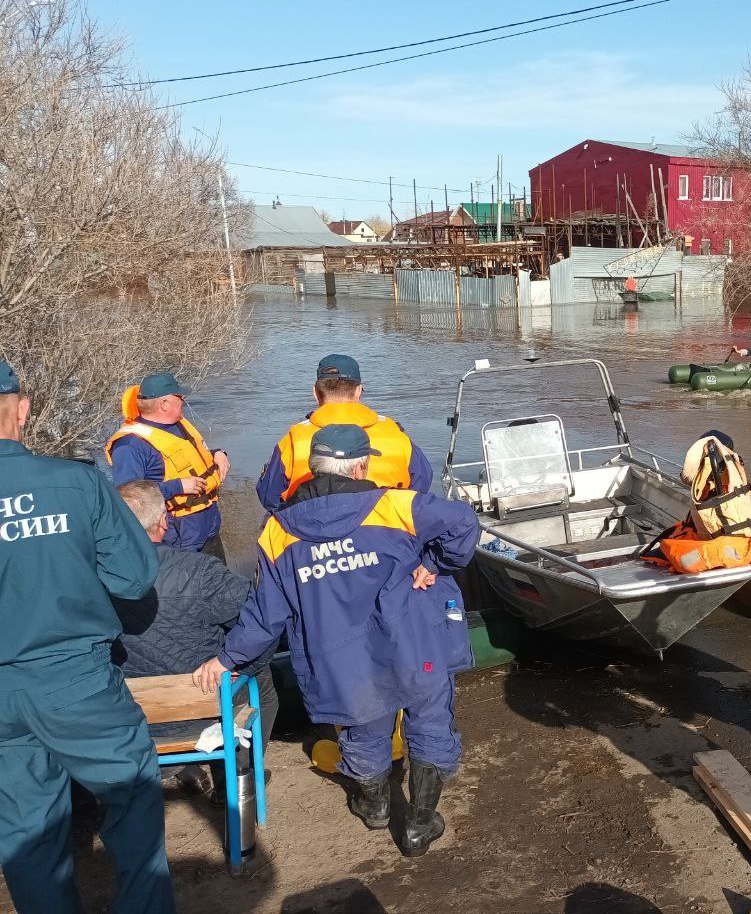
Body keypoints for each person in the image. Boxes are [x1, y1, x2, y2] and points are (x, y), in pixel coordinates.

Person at [195, 424, 480, 857]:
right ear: (363, 464)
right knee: (430, 721)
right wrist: (437, 563)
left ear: (312, 469)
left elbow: (265, 614)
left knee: (364, 729)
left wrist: (227, 658)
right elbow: (464, 522)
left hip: (343, 657)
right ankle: (420, 825)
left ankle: (375, 807)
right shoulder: (396, 506)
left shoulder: (277, 532)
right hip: (414, 642)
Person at [0, 361, 173, 913]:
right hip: (76, 679)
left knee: (26, 831)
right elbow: (133, 575)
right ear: (24, 409)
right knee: (135, 798)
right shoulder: (75, 482)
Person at [114, 479, 279, 795]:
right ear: (164, 521)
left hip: (132, 715)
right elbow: (261, 619)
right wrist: (235, 665)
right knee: (262, 680)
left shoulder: (88, 577)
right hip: (205, 707)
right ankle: (237, 777)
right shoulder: (200, 570)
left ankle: (183, 767)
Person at [256, 354, 433, 512]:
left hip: (313, 534)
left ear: (315, 393)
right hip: (387, 531)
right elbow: (421, 484)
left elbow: (269, 497)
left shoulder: (294, 439)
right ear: (358, 391)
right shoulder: (394, 433)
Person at [105, 371, 228, 557]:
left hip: (208, 528)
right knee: (187, 586)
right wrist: (177, 486)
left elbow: (185, 457)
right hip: (178, 540)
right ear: (164, 404)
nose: (184, 400)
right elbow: (129, 498)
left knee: (220, 583)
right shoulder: (130, 446)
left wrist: (217, 454)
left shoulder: (178, 423)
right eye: (179, 396)